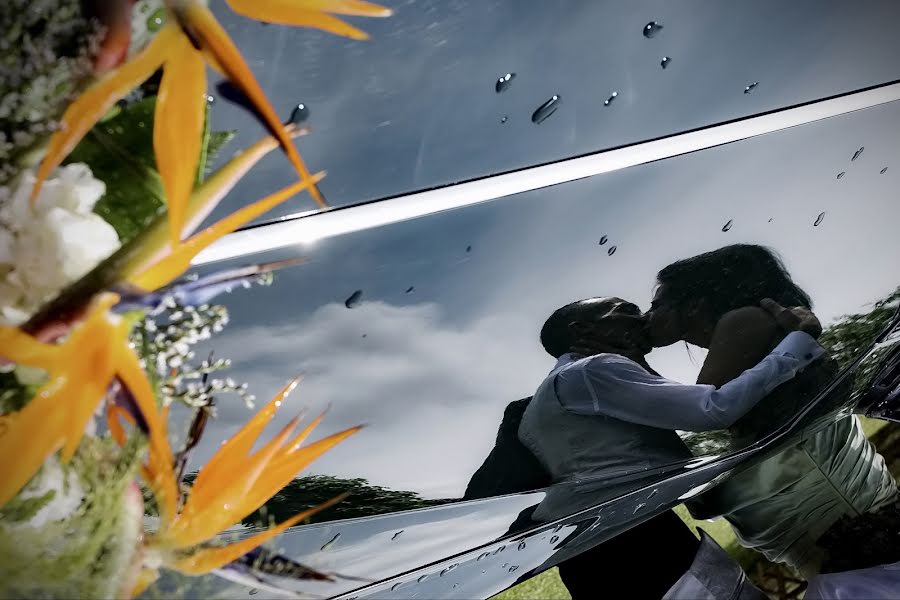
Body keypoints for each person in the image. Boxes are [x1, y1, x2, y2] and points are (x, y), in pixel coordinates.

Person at [517, 296, 824, 598]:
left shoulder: (548, 398)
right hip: (640, 550)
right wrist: (798, 341)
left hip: (596, 555)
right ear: (582, 330)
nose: (642, 319)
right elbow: (712, 409)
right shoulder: (591, 370)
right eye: (626, 310)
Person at [646, 244, 898, 577]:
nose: (646, 315)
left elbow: (696, 419)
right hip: (833, 525)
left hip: (844, 526)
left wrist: (628, 358)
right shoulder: (754, 328)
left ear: (693, 306)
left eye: (657, 304)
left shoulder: (745, 321)